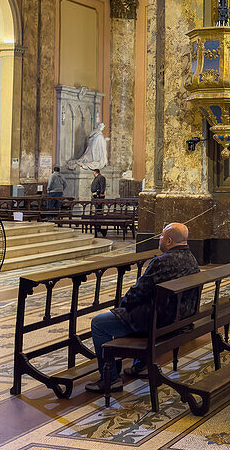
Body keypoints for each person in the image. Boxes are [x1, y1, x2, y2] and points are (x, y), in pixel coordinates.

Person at [85, 222, 200, 394]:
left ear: (169, 241)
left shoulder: (162, 261)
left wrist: (123, 305)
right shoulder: (191, 258)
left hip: (159, 322)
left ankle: (110, 379)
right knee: (128, 313)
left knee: (99, 323)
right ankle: (140, 365)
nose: (159, 238)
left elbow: (139, 292)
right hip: (180, 319)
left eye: (161, 235)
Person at [91, 167, 107, 237]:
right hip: (95, 195)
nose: (93, 174)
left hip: (99, 196)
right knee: (97, 209)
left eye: (94, 173)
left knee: (99, 209)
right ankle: (97, 225)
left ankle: (99, 225)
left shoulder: (101, 177)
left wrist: (101, 192)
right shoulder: (96, 178)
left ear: (96, 172)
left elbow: (102, 185)